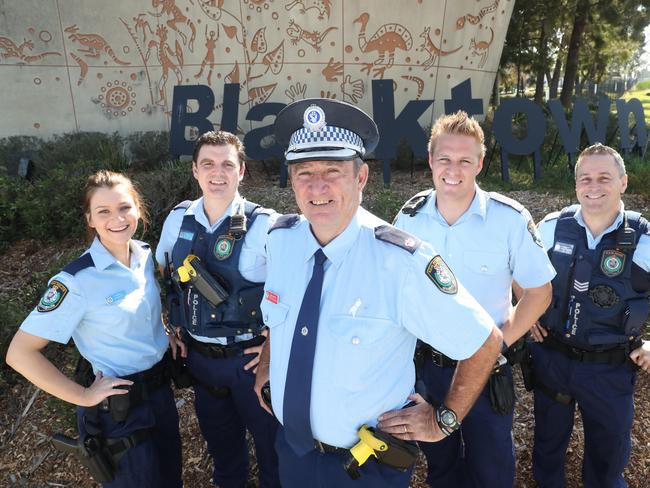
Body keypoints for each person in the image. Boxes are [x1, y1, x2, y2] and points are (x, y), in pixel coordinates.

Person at [252, 97, 503, 487]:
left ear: (361, 178)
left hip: (366, 467)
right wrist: (268, 362)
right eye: (304, 172)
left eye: (332, 171)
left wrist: (444, 420)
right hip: (294, 452)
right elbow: (282, 319)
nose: (317, 186)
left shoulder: (400, 261)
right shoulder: (281, 242)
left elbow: (485, 340)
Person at [392, 111, 555, 487]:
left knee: (492, 468)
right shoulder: (410, 217)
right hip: (427, 368)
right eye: (445, 159)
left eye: (465, 160)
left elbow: (539, 292)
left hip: (486, 370)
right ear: (431, 160)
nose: (454, 169)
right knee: (441, 467)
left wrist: (498, 345)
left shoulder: (509, 219)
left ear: (479, 163)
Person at [5, 171, 182, 488]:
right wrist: (83, 396)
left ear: (138, 209)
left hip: (159, 394)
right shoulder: (76, 281)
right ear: (90, 219)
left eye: (125, 207)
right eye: (104, 211)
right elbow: (19, 353)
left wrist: (160, 335)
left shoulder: (142, 255)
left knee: (171, 479)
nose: (117, 218)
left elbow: (141, 310)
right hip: (119, 412)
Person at [156, 130, 280, 488]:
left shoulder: (265, 224)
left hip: (250, 363)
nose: (217, 173)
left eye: (227, 164)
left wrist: (274, 346)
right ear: (195, 170)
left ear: (242, 171)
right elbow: (164, 276)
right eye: (208, 164)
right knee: (224, 456)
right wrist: (172, 327)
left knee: (274, 455)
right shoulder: (178, 218)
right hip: (201, 363)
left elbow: (294, 292)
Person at [530, 143, 650, 488]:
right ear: (576, 184)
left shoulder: (642, 240)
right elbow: (520, 272)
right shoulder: (553, 226)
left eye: (604, 178)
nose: (593, 186)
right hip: (553, 359)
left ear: (623, 183)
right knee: (547, 447)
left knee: (608, 455)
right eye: (585, 178)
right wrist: (528, 314)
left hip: (610, 369)